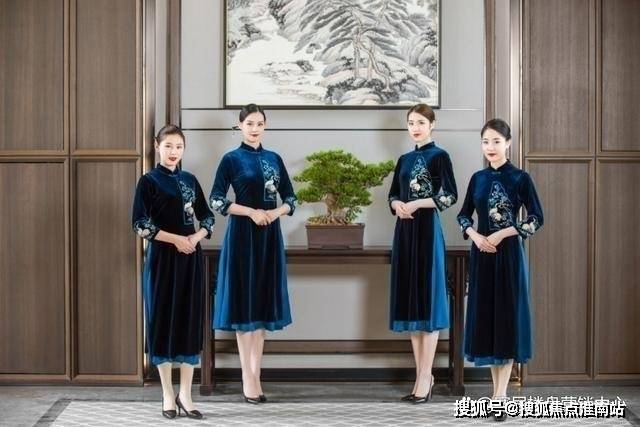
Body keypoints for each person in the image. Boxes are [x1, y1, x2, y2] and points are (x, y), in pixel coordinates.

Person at [457, 118, 543, 422]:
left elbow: (536, 218)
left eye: (496, 141)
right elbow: (463, 216)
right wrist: (476, 236)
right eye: (485, 142)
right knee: (488, 320)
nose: (490, 147)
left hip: (508, 257)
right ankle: (497, 393)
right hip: (482, 256)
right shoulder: (477, 179)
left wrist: (503, 233)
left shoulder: (520, 178)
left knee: (505, 320)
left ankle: (500, 396)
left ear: (508, 143)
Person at [210, 103, 297, 404]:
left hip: (269, 237)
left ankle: (255, 374)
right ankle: (247, 376)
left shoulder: (274, 159)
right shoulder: (231, 159)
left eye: (260, 123)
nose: (255, 128)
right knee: (244, 305)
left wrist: (275, 213)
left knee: (260, 306)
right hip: (242, 237)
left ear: (265, 126)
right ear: (240, 126)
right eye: (249, 123)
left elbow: (291, 199)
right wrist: (251, 212)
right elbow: (216, 200)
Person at [132, 124, 215, 419]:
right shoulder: (148, 182)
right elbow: (140, 224)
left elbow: (208, 217)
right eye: (168, 146)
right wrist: (176, 239)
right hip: (162, 262)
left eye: (178, 147)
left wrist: (194, 238)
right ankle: (168, 394)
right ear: (157, 146)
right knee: (162, 321)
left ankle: (186, 395)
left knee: (189, 321)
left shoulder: (190, 180)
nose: (173, 152)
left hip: (190, 260)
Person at [387, 103, 458, 404]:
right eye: (411, 123)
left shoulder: (440, 156)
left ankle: (425, 377)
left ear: (432, 124)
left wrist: (416, 203)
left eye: (420, 122)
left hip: (427, 232)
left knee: (427, 302)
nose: (415, 128)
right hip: (404, 234)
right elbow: (393, 194)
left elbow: (450, 195)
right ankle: (421, 376)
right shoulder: (403, 160)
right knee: (412, 305)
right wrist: (397, 205)